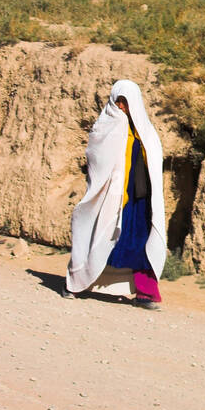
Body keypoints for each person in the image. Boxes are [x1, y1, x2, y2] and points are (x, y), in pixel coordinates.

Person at [63, 80, 167, 309]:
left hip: (138, 200)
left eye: (126, 103)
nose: (121, 107)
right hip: (110, 197)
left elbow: (154, 162)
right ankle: (76, 283)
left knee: (141, 243)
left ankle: (145, 293)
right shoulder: (105, 127)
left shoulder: (145, 131)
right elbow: (96, 157)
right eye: (118, 102)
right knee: (98, 237)